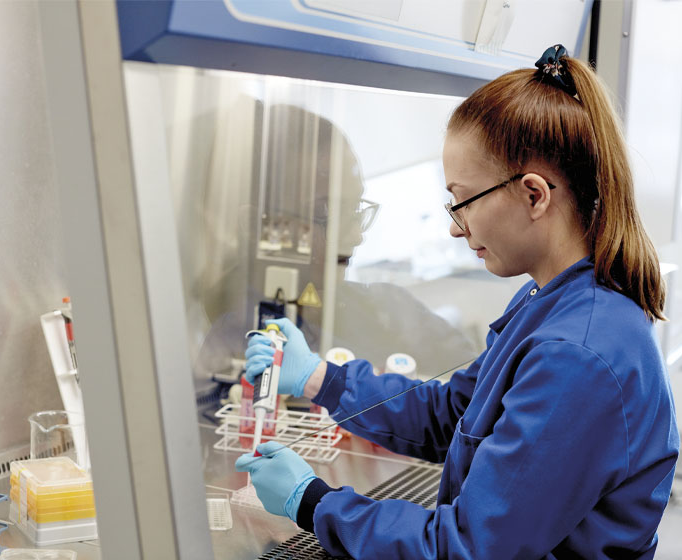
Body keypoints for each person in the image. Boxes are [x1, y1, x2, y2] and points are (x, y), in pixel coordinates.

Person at [235, 45, 680, 558]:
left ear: (535, 195)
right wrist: (321, 379)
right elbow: (452, 416)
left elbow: (466, 548)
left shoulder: (578, 354)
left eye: (462, 201)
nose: (453, 225)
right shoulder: (553, 301)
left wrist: (310, 502)